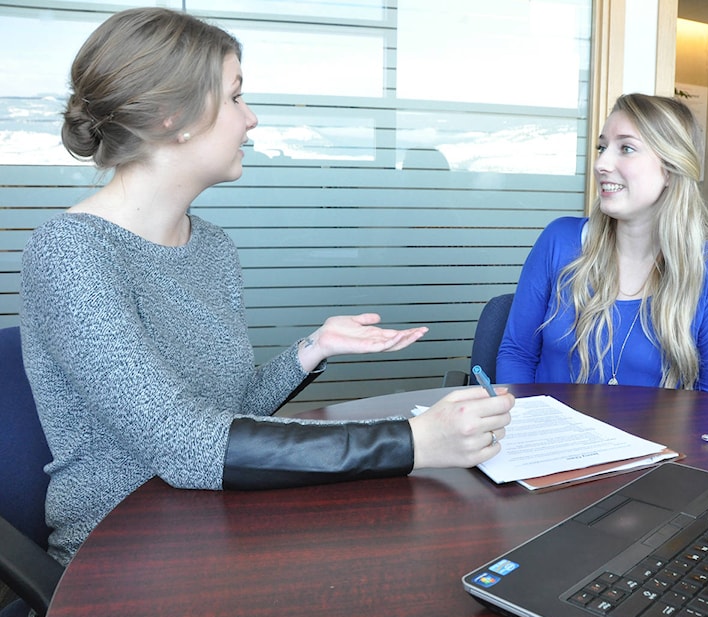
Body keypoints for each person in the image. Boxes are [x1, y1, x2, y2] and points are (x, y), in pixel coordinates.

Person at [18, 7, 514, 570]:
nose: (250, 118)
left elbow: (229, 417)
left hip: (218, 516)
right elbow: (188, 446)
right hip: (122, 551)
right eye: (234, 97)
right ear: (170, 117)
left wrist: (314, 349)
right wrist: (413, 442)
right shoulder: (72, 254)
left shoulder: (210, 246)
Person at [497, 94, 708, 394]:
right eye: (602, 147)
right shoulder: (559, 241)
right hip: (550, 436)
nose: (601, 163)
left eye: (626, 148)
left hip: (655, 442)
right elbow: (517, 354)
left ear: (670, 168)